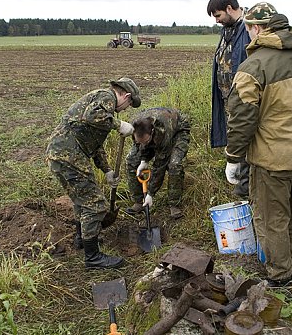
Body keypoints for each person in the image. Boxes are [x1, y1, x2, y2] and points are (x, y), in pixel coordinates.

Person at [224, 2, 292, 288]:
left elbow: (242, 118)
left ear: (257, 28)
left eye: (248, 28)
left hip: (273, 159)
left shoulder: (254, 66)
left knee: (272, 219)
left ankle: (280, 278)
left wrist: (233, 156)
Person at [45, 77, 141, 269]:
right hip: (69, 154)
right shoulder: (107, 97)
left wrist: (107, 170)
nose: (126, 108)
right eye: (129, 104)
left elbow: (95, 145)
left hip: (62, 154)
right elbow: (91, 116)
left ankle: (83, 238)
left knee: (82, 200)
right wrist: (119, 124)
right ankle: (93, 257)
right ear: (126, 96)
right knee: (95, 204)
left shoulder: (103, 104)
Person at [207, 0, 252, 197]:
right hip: (228, 102)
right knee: (237, 139)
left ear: (229, 8)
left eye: (218, 16)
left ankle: (245, 190)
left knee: (248, 142)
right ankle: (243, 184)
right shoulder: (227, 31)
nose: (217, 21)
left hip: (245, 100)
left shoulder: (250, 28)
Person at [125, 107, 191, 219]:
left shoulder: (164, 132)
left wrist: (150, 193)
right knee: (131, 160)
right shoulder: (134, 127)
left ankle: (174, 204)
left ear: (152, 133)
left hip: (178, 130)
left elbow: (160, 166)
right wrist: (143, 160)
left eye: (146, 142)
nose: (143, 145)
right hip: (149, 134)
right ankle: (138, 202)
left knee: (174, 165)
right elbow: (141, 144)